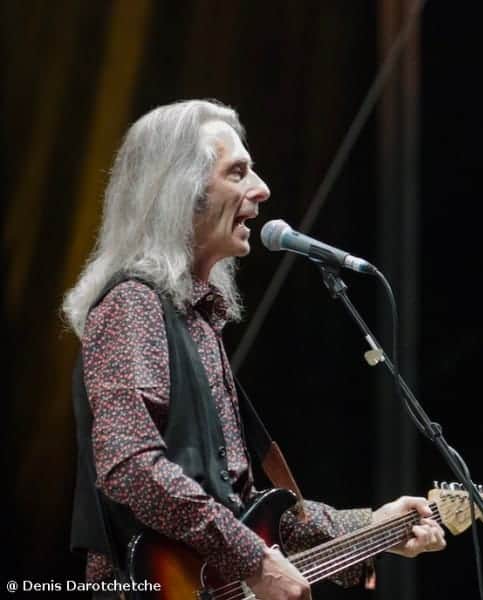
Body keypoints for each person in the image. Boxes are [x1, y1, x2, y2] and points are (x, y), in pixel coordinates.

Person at [63, 99, 445, 600]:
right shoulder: (132, 305)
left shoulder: (197, 322)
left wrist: (372, 525)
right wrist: (253, 559)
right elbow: (130, 466)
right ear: (180, 190)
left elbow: (242, 507)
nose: (262, 189)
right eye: (237, 172)